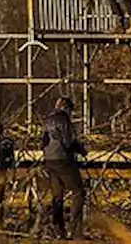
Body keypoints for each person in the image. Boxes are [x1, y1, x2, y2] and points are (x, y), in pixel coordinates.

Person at [41, 97, 86, 240]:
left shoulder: (47, 120)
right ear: (66, 108)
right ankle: (76, 231)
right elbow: (69, 141)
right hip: (63, 160)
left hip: (49, 160)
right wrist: (82, 151)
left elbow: (42, 141)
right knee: (78, 191)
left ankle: (58, 230)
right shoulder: (63, 120)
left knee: (57, 196)